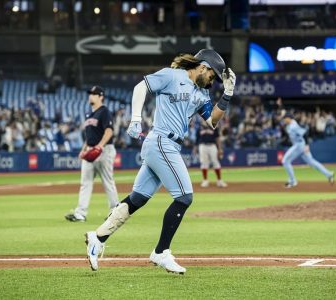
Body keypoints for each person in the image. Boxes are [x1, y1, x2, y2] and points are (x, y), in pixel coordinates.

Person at [84, 49, 236, 274]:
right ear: (203, 67)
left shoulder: (202, 94)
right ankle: (161, 251)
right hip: (161, 141)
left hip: (169, 145)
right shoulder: (172, 75)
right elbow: (140, 87)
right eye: (212, 75)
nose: (212, 81)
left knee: (137, 199)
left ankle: (98, 237)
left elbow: (212, 121)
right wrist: (136, 119)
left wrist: (228, 94)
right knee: (184, 197)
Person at [65, 86, 119, 222]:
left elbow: (109, 131)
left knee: (108, 182)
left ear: (101, 96)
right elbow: (89, 136)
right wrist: (84, 149)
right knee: (85, 182)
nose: (91, 96)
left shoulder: (104, 111)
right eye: (90, 94)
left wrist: (100, 146)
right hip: (90, 149)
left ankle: (115, 212)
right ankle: (80, 213)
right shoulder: (89, 114)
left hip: (104, 150)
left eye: (94, 94)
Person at [281, 111, 335, 188]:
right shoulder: (290, 124)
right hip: (300, 145)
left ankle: (293, 181)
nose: (284, 120)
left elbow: (305, 133)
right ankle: (329, 174)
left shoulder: (293, 126)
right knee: (312, 162)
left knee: (285, 161)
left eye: (285, 118)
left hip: (299, 146)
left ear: (289, 118)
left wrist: (306, 145)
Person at [195, 119, 227, 188]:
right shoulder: (199, 128)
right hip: (202, 146)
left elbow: (217, 138)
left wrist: (220, 148)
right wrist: (195, 148)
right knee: (204, 163)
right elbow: (197, 139)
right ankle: (205, 180)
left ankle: (219, 181)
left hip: (212, 146)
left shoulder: (213, 126)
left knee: (215, 162)